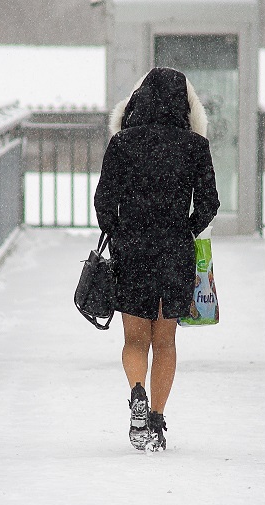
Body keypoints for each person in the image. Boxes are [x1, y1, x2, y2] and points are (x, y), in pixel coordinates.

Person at [94, 67, 220, 451]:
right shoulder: (195, 146)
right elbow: (210, 203)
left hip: (132, 250)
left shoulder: (122, 144)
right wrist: (187, 228)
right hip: (174, 250)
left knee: (135, 339)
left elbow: (103, 202)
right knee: (164, 341)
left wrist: (119, 232)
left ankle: (137, 392)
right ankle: (157, 421)